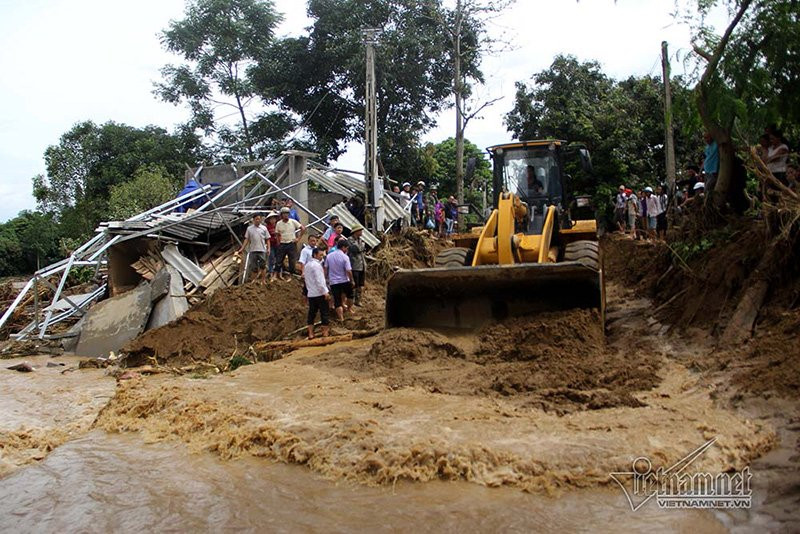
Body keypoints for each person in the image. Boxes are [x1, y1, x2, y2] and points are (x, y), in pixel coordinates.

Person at [303, 247, 330, 340]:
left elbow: (306, 280)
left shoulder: (307, 266)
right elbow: (320, 280)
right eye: (320, 255)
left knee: (311, 314)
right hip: (319, 293)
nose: (322, 257)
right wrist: (325, 292)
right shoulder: (317, 266)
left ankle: (311, 333)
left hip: (311, 294)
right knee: (324, 312)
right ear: (315, 255)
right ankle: (325, 333)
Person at [325, 238, 355, 321]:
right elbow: (348, 270)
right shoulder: (345, 257)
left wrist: (325, 278)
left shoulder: (329, 256)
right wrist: (352, 280)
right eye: (346, 248)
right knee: (350, 295)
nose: (346, 250)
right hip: (344, 280)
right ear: (343, 247)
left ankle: (341, 318)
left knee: (337, 300)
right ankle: (349, 309)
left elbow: (326, 268)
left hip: (333, 282)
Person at [238, 214, 269, 285]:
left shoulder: (264, 228)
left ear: (261, 219)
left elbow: (267, 239)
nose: (257, 220)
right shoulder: (249, 229)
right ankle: (253, 280)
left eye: (259, 219)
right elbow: (247, 239)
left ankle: (263, 280)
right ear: (253, 220)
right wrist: (242, 248)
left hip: (262, 249)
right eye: (256, 219)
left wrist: (268, 248)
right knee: (254, 267)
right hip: (253, 250)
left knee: (263, 266)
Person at [275, 207, 305, 280]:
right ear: (281, 215)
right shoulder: (279, 223)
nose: (285, 215)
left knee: (292, 260)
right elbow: (277, 234)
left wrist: (298, 238)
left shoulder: (293, 221)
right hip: (282, 243)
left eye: (287, 213)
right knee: (279, 260)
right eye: (284, 214)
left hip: (291, 243)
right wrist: (278, 242)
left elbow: (303, 228)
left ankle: (291, 276)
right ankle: (276, 274)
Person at [347, 224, 366, 307]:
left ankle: (358, 300)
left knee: (361, 285)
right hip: (354, 266)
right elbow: (356, 249)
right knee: (354, 284)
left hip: (362, 265)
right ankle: (352, 301)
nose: (361, 232)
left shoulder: (360, 240)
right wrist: (362, 248)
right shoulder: (350, 240)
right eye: (360, 231)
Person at [264, 211, 280, 281]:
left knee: (279, 259)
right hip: (271, 245)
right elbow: (266, 237)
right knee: (271, 258)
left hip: (278, 244)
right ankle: (271, 272)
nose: (273, 220)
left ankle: (278, 273)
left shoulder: (278, 226)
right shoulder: (267, 227)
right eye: (271, 219)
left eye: (274, 219)